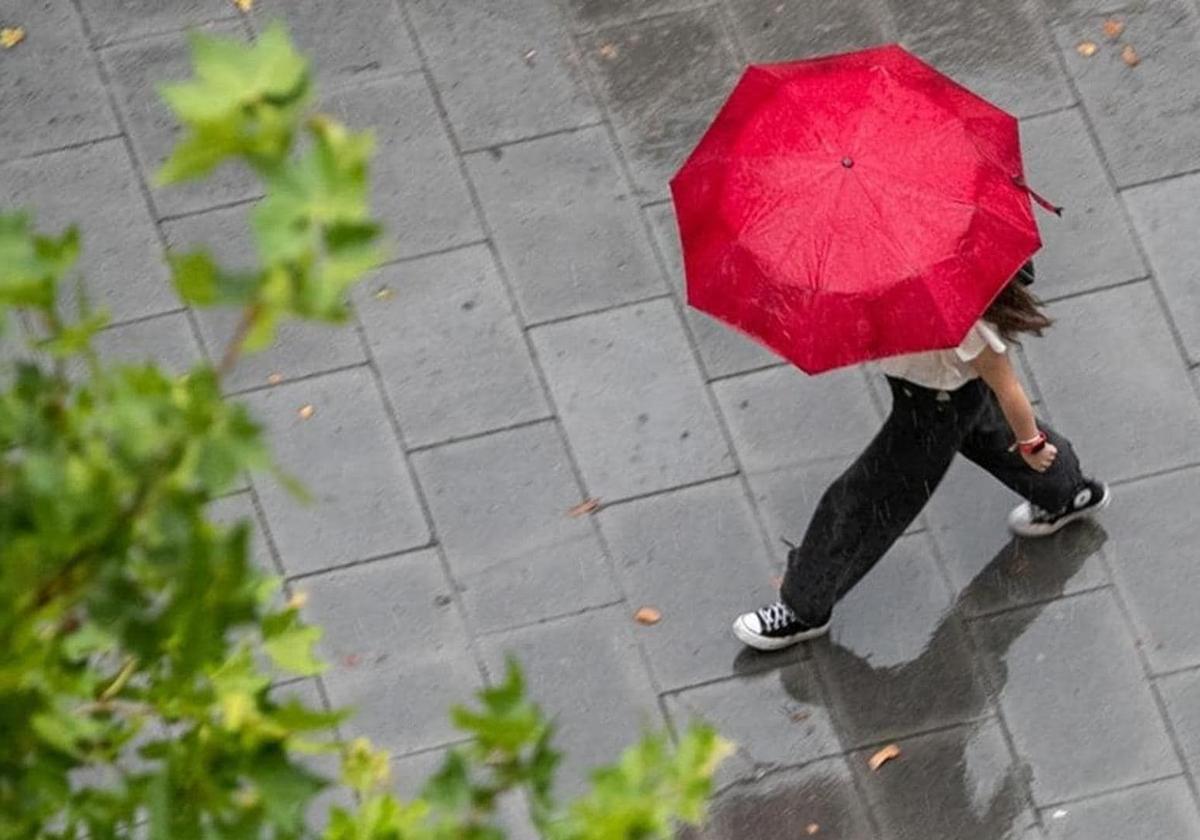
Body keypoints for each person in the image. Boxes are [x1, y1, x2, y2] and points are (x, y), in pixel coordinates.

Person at [732, 263, 1110, 651]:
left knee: (863, 502)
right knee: (985, 431)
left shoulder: (960, 316)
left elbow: (1007, 386)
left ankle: (803, 606)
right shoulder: (898, 282)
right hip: (939, 395)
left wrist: (1032, 444)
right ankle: (1068, 492)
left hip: (934, 409)